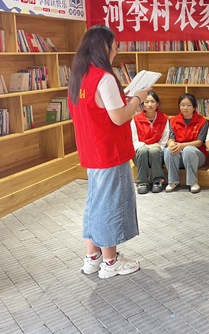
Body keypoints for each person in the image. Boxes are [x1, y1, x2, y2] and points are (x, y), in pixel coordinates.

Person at [67, 24, 150, 279]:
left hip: (91, 150)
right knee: (110, 205)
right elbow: (119, 117)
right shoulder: (105, 77)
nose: (116, 51)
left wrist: (124, 97)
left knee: (95, 203)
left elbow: (97, 109)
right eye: (115, 46)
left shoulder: (79, 76)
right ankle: (111, 262)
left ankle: (93, 257)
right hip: (110, 152)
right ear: (105, 46)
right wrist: (138, 99)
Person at [164, 93, 209, 193]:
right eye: (182, 105)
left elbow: (199, 142)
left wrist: (183, 145)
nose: (185, 108)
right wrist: (171, 144)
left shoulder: (202, 121)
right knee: (168, 150)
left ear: (194, 107)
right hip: (179, 155)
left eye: (189, 105)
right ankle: (173, 182)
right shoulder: (173, 120)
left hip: (197, 156)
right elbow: (171, 138)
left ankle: (193, 182)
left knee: (188, 150)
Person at [131, 91, 170, 194]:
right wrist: (147, 146)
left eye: (152, 101)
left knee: (154, 150)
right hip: (140, 155)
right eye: (146, 102)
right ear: (142, 104)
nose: (149, 105)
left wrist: (153, 147)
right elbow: (133, 141)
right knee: (143, 150)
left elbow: (164, 141)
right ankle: (142, 182)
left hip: (157, 155)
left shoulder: (164, 119)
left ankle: (157, 180)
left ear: (157, 103)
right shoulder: (135, 120)